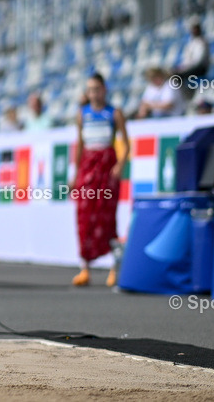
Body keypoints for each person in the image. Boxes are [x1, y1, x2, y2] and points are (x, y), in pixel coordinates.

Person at [69, 72, 130, 288]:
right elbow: (80, 145)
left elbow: (126, 144)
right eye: (90, 90)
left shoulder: (114, 113)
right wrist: (75, 174)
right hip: (88, 166)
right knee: (84, 216)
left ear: (104, 90)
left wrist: (119, 165)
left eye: (96, 89)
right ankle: (84, 268)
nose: (93, 94)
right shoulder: (82, 114)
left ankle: (114, 268)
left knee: (107, 216)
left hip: (106, 166)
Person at [172, 19, 210, 90]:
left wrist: (186, 68)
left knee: (179, 76)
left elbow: (198, 60)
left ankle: (185, 92)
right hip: (190, 67)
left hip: (200, 68)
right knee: (174, 73)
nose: (194, 31)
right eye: (193, 29)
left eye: (195, 29)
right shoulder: (191, 43)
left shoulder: (202, 42)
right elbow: (186, 58)